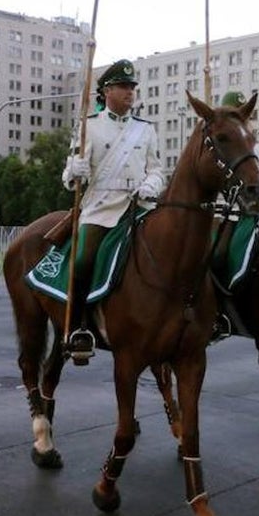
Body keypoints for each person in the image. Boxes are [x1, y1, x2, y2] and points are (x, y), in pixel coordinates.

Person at [62, 59, 164, 360]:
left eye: (132, 87)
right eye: (123, 87)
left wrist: (151, 185)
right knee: (82, 261)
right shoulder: (88, 127)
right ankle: (79, 328)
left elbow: (157, 170)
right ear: (107, 91)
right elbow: (69, 176)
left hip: (139, 206)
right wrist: (76, 170)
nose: (130, 92)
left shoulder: (145, 130)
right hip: (102, 209)